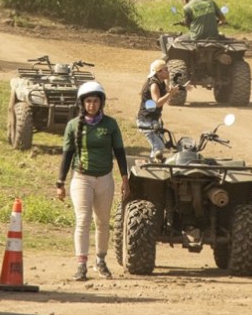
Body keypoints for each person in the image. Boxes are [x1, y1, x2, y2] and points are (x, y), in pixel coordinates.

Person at [55, 81, 129, 281]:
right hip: (81, 179)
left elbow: (120, 152)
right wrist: (60, 183)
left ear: (101, 102)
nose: (92, 105)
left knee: (103, 222)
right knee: (83, 220)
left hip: (105, 178)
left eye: (96, 101)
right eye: (88, 101)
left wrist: (125, 178)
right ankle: (81, 265)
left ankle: (101, 261)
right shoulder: (73, 126)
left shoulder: (111, 124)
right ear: (82, 103)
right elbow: (67, 155)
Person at [137, 59, 186, 162]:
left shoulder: (160, 82)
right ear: (158, 72)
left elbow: (169, 90)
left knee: (159, 146)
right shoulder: (154, 85)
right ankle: (152, 166)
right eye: (165, 70)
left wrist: (183, 87)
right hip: (146, 121)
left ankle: (153, 163)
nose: (167, 71)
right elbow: (157, 102)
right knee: (158, 146)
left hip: (153, 120)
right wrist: (170, 94)